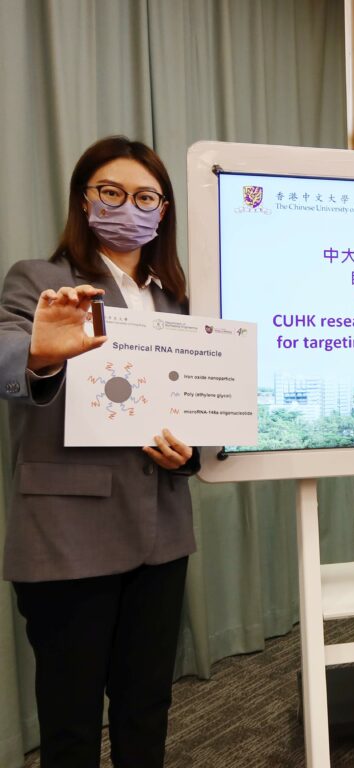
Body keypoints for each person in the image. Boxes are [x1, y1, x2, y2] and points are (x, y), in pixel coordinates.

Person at [0, 136, 198, 767]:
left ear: (162, 212)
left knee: (147, 707)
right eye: (110, 192)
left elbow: (200, 405)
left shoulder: (178, 300)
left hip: (161, 535)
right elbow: (6, 357)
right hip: (67, 534)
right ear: (84, 200)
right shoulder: (43, 282)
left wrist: (191, 454)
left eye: (144, 197)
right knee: (70, 717)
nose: (127, 207)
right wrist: (39, 350)